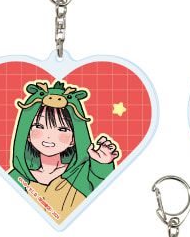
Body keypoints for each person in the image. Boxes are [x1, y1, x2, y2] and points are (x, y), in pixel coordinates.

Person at [9, 80, 119, 223]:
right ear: (27, 134)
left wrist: (102, 164)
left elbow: (106, 189)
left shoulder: (82, 174)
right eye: (39, 126)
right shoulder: (17, 178)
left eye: (62, 129)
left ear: (74, 138)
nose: (49, 136)